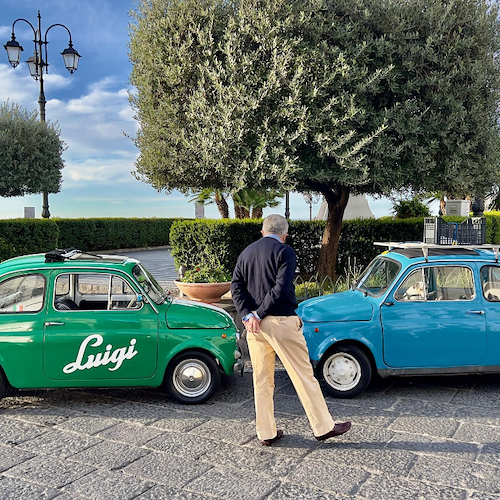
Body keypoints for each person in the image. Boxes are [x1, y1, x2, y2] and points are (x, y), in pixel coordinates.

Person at [231, 214, 351, 446]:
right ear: (284, 235)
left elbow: (236, 286)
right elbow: (281, 288)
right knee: (303, 375)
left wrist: (248, 314)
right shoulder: (285, 252)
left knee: (262, 379)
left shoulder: (246, 253)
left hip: (254, 327)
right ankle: (323, 427)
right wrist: (260, 313)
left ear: (262, 231)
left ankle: (265, 432)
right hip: (281, 322)